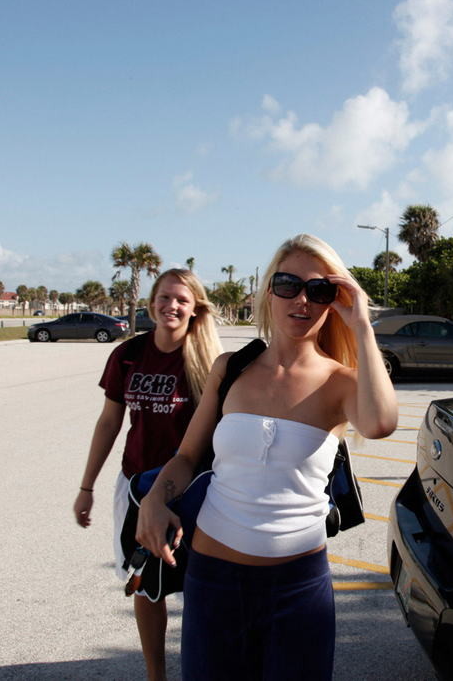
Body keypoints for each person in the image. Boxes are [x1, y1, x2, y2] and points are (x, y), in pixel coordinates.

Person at [137, 233, 398, 680]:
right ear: (269, 291)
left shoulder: (343, 383)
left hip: (298, 588)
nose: (301, 299)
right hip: (214, 581)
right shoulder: (230, 368)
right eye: (287, 284)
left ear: (333, 301)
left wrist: (362, 327)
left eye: (319, 291)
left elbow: (380, 424)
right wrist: (155, 499)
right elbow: (185, 457)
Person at [74, 268, 223, 681]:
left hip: (194, 489)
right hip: (137, 486)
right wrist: (86, 487)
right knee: (145, 584)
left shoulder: (210, 364)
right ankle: (156, 675)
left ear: (195, 310)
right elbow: (109, 422)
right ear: (152, 300)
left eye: (181, 300)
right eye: (164, 297)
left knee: (199, 585)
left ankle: (201, 668)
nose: (171, 306)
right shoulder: (127, 354)